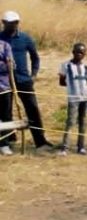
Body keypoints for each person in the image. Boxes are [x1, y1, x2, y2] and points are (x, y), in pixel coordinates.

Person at [0, 10, 51, 149]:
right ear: (3, 23)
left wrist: (33, 75)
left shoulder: (25, 38)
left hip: (24, 80)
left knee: (32, 109)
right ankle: (9, 140)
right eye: (11, 23)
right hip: (4, 82)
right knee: (5, 111)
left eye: (16, 22)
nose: (14, 25)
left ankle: (40, 141)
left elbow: (35, 57)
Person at [57, 43, 87, 156]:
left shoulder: (86, 67)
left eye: (81, 53)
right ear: (73, 52)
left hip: (85, 97)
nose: (79, 54)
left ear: (84, 54)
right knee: (70, 122)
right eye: (77, 52)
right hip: (73, 98)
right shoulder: (65, 65)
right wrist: (72, 86)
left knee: (83, 122)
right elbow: (62, 81)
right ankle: (64, 147)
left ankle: (81, 146)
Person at [0, 35, 14, 155]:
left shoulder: (4, 45)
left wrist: (5, 65)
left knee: (5, 116)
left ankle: (5, 144)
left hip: (4, 88)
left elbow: (11, 65)